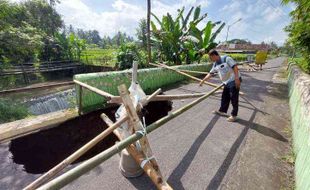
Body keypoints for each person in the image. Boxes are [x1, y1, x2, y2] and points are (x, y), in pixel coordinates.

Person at [199, 49, 241, 122]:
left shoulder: (226, 59)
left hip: (234, 80)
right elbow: (211, 73)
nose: (211, 59)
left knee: (234, 98)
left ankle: (234, 115)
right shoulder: (215, 64)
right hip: (226, 82)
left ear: (214, 55)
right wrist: (203, 81)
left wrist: (237, 79)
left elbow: (235, 67)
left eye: (211, 58)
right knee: (225, 97)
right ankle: (222, 111)